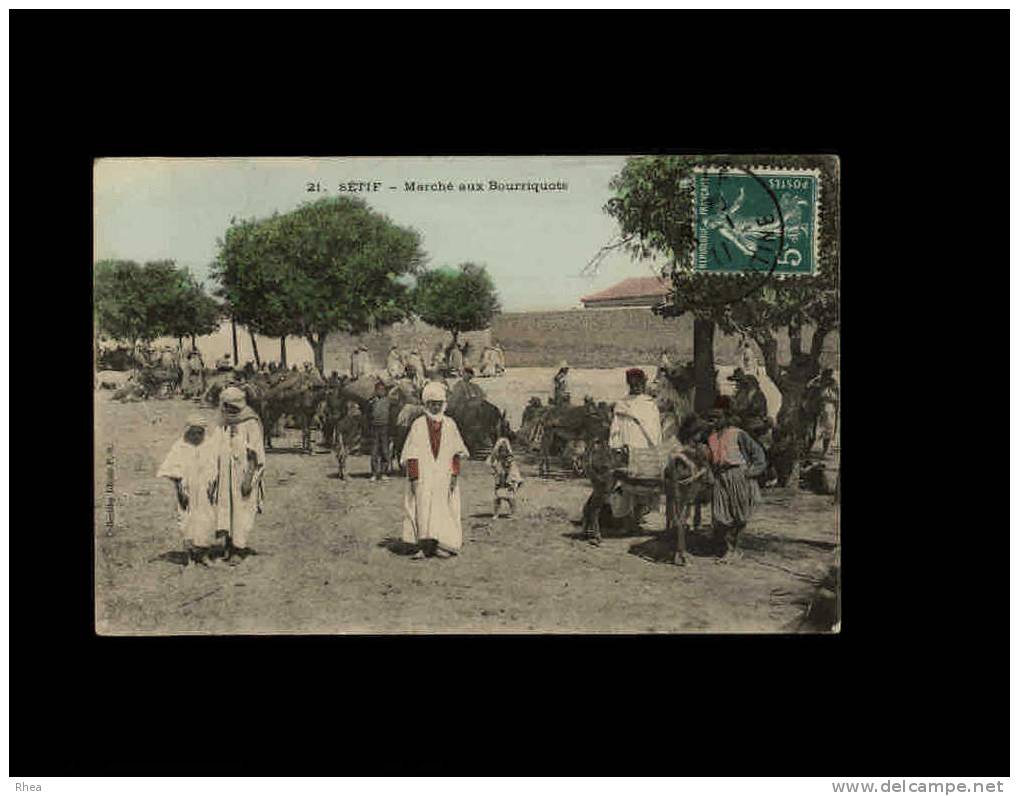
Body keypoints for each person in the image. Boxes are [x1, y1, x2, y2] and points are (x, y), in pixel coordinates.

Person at [399, 382, 469, 559]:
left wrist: (454, 475)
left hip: (444, 475)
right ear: (426, 404)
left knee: (442, 508)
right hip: (424, 475)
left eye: (439, 403)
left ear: (444, 404)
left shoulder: (450, 424)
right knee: (422, 508)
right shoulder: (418, 425)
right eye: (432, 403)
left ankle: (441, 543)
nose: (436, 406)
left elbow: (455, 453)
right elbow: (412, 453)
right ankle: (423, 546)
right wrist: (414, 478)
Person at [705, 396, 767, 564]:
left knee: (739, 515)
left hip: (738, 476)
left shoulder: (738, 434)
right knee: (721, 515)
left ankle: (734, 549)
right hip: (721, 477)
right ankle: (727, 548)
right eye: (712, 418)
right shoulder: (711, 438)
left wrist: (751, 472)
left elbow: (758, 454)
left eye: (718, 417)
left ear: (726, 417)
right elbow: (710, 460)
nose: (714, 421)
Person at [604, 367, 662, 533]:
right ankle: (626, 521)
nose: (636, 387)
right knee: (625, 485)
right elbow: (615, 428)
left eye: (639, 384)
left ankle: (637, 518)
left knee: (645, 485)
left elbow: (655, 429)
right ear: (629, 384)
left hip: (645, 449)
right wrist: (616, 445)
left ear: (643, 384)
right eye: (633, 384)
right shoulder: (622, 404)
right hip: (627, 448)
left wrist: (655, 448)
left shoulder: (650, 404)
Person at [157, 414, 219, 565]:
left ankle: (204, 554)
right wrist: (180, 490)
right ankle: (190, 556)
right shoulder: (180, 446)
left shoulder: (210, 445)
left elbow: (215, 468)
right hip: (187, 490)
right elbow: (174, 470)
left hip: (205, 490)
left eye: (200, 432)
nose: (197, 436)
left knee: (206, 520)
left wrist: (213, 486)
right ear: (188, 431)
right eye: (193, 432)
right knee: (187, 520)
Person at [213, 387, 266, 562]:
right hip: (225, 473)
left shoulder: (249, 421)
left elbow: (255, 453)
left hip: (242, 473)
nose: (223, 408)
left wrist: (248, 478)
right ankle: (228, 543)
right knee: (225, 507)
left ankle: (238, 549)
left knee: (241, 509)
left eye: (226, 405)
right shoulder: (224, 420)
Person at [486, 435, 523, 519]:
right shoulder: (497, 459)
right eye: (500, 450)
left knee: (510, 497)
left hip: (509, 479)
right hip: (500, 479)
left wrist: (512, 480)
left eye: (504, 450)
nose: (502, 452)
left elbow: (511, 470)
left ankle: (513, 513)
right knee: (497, 497)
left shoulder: (509, 459)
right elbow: (491, 462)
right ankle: (496, 513)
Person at [367, 380, 392, 481]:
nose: (381, 391)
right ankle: (374, 473)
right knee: (374, 451)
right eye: (379, 389)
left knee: (385, 450)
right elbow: (367, 413)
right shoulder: (372, 401)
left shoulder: (388, 400)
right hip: (375, 428)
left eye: (383, 390)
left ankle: (383, 472)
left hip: (385, 427)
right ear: (376, 391)